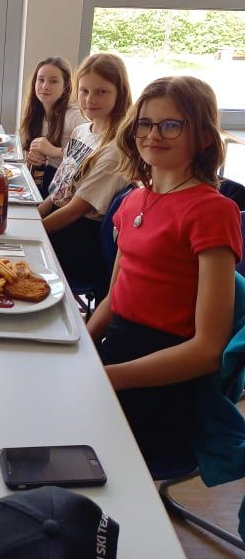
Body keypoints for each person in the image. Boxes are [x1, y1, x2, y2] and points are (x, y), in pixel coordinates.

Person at [87, 76, 242, 464]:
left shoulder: (212, 211)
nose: (153, 135)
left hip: (165, 380)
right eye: (146, 123)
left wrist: (110, 377)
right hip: (117, 353)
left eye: (171, 125)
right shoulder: (132, 200)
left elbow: (207, 351)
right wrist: (83, 346)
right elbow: (116, 295)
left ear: (203, 136)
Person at [37, 52, 132, 282]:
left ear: (119, 94)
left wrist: (34, 232)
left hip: (80, 240)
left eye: (102, 92)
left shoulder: (115, 149)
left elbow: (75, 210)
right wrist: (33, 218)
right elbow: (58, 193)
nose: (90, 99)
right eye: (84, 91)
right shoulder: (81, 131)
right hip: (61, 220)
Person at [19, 57, 86, 193]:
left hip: (68, 187)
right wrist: (31, 158)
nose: (45, 86)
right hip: (44, 179)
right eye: (41, 80)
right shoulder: (35, 113)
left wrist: (53, 151)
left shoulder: (74, 115)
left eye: (53, 81)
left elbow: (92, 152)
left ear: (66, 87)